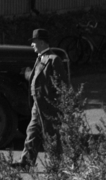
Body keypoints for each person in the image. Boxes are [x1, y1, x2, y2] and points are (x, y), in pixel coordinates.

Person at [14, 28, 70, 171]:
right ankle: (26, 163)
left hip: (49, 106)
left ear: (42, 42)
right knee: (32, 132)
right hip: (37, 106)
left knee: (51, 135)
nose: (32, 44)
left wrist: (60, 105)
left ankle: (56, 165)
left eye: (34, 41)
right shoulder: (40, 58)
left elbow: (63, 84)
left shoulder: (54, 59)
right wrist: (27, 73)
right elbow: (38, 79)